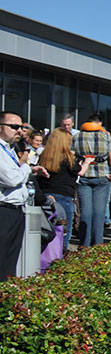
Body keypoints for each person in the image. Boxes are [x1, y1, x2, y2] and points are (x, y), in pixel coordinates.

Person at [32, 127, 83, 251]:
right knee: (63, 232)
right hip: (65, 196)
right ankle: (60, 258)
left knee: (47, 229)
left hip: (47, 196)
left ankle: (46, 257)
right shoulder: (68, 158)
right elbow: (78, 170)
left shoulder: (44, 155)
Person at [70, 112, 111, 247]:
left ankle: (84, 243)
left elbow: (71, 156)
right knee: (99, 212)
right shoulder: (106, 136)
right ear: (99, 124)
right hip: (102, 175)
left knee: (85, 211)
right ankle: (97, 243)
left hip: (83, 175)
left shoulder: (76, 136)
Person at [0, 111, 32, 278]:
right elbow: (12, 179)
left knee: (10, 259)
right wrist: (26, 167)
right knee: (3, 257)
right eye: (14, 127)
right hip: (4, 211)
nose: (19, 130)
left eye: (21, 127)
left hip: (16, 209)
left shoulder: (9, 149)